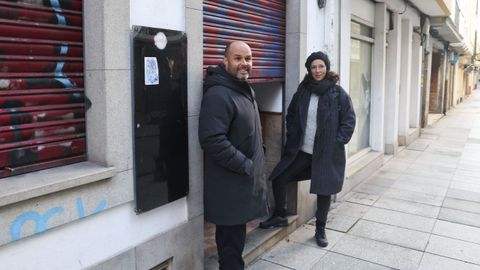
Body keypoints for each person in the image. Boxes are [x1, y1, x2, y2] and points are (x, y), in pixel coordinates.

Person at [259, 51, 356, 247]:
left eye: (321, 66)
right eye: (313, 67)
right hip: (302, 152)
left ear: (327, 68)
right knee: (279, 177)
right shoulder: (303, 90)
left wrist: (337, 142)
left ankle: (320, 230)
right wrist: (293, 134)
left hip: (326, 154)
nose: (317, 70)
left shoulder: (338, 93)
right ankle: (280, 215)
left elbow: (349, 120)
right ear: (309, 70)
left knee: (324, 191)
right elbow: (292, 113)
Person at [199, 41, 268, 270]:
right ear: (225, 60)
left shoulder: (242, 88)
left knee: (235, 244)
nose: (244, 64)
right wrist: (246, 165)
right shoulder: (219, 94)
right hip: (229, 186)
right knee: (230, 248)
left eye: (248, 59)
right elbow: (212, 140)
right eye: (238, 58)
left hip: (240, 183)